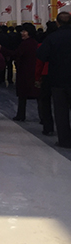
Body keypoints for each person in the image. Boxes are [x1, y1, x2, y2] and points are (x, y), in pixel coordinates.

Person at [36, 11, 71, 149]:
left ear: (57, 23)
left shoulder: (52, 37)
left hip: (58, 79)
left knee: (61, 111)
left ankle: (64, 140)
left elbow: (41, 55)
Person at [12, 23, 39, 121]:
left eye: (24, 31)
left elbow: (15, 54)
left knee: (22, 95)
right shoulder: (35, 43)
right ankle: (43, 118)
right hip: (34, 72)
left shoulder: (25, 44)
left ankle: (21, 115)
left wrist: (2, 49)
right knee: (38, 96)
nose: (22, 33)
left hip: (25, 73)